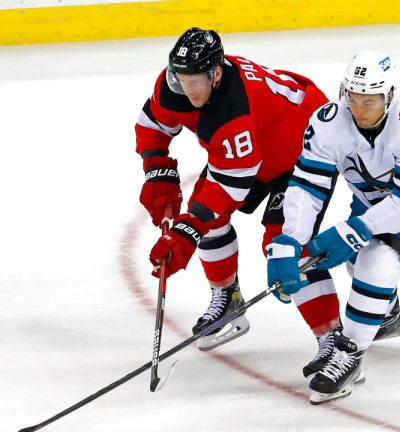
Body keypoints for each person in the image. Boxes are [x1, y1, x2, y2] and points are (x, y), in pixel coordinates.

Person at [266, 50, 400, 404]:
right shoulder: (327, 121)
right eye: (352, 98)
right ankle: (386, 315)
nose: (359, 110)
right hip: (373, 198)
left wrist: (353, 231)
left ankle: (351, 353)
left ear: (388, 95)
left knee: (377, 256)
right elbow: (307, 185)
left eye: (369, 101)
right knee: (353, 259)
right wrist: (291, 239)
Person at [136, 27, 342, 354]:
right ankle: (228, 299)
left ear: (216, 74)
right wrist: (156, 167)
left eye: (196, 82)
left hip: (303, 154)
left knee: (285, 244)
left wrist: (189, 228)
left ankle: (335, 339)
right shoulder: (174, 85)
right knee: (207, 215)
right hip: (255, 151)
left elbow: (232, 185)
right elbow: (153, 124)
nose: (187, 91)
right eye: (181, 79)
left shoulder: (234, 107)